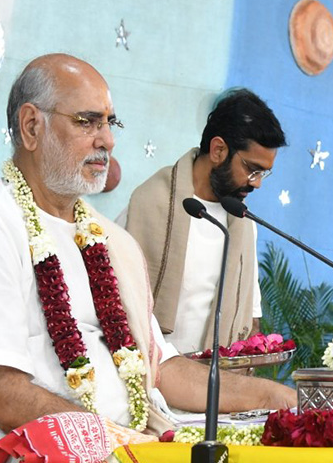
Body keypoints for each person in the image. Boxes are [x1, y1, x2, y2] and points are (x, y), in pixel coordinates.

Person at [0, 55, 295, 463]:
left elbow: (161, 368)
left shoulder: (110, 242)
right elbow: (3, 394)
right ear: (31, 127)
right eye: (87, 122)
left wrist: (271, 397)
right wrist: (116, 446)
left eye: (109, 124)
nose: (107, 141)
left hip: (123, 448)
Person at [121, 88, 285, 354]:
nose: (256, 183)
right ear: (218, 149)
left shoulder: (243, 223)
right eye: (251, 169)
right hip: (151, 375)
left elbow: (251, 319)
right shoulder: (146, 205)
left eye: (263, 174)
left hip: (214, 382)